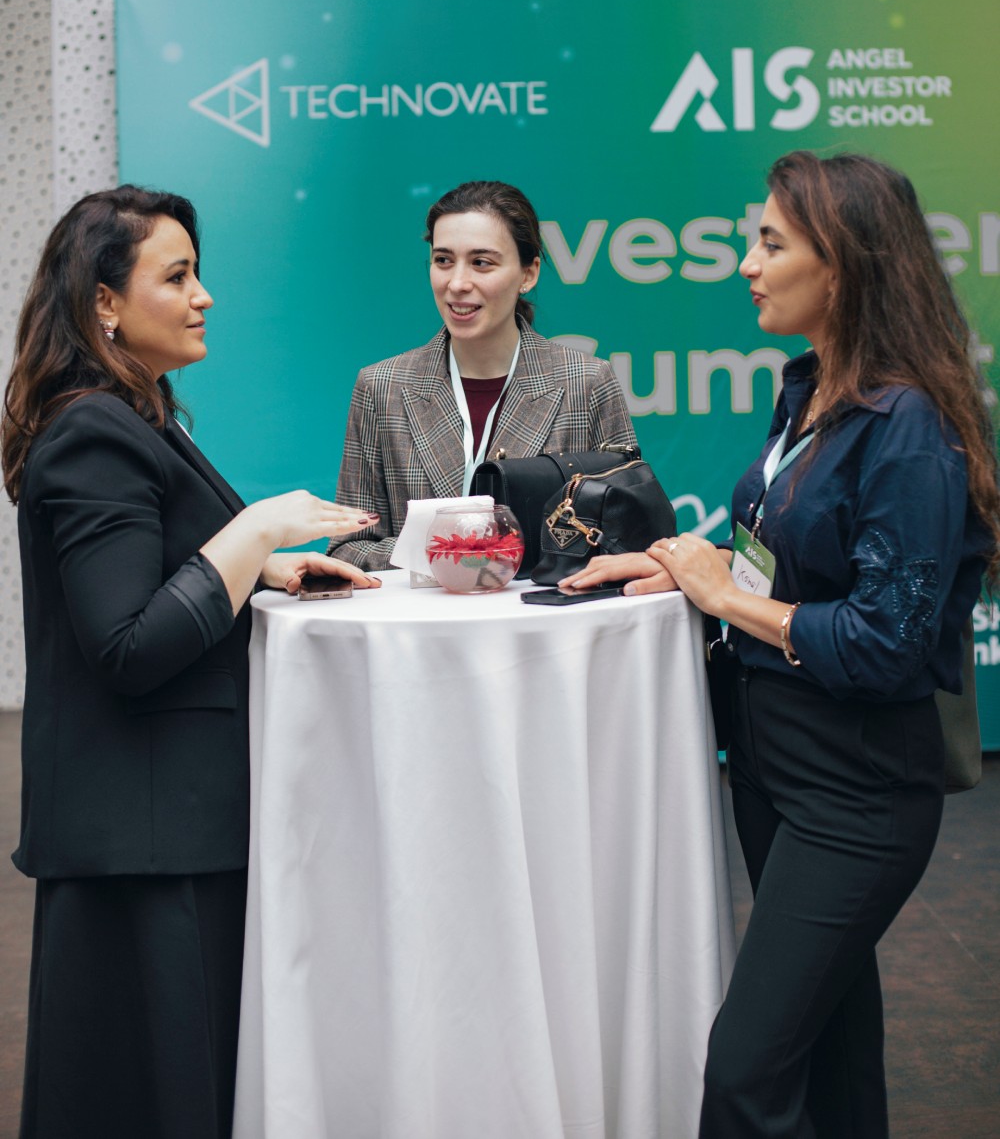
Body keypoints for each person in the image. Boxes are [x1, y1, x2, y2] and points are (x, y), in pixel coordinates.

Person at [559, 150, 999, 1139]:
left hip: (858, 791)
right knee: (831, 1051)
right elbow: (795, 567)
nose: (746, 265)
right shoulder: (811, 390)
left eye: (770, 243)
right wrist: (689, 567)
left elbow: (885, 641)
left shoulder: (908, 428)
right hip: (776, 765)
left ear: (841, 265)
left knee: (744, 1075)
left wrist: (723, 596)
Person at [1, 185, 379, 1139]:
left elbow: (157, 576)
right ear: (104, 303)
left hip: (160, 826)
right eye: (176, 277)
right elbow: (128, 645)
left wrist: (268, 570)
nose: (203, 295)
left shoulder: (137, 418)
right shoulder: (93, 433)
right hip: (146, 841)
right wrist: (254, 536)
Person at [329, 179, 637, 570]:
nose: (457, 283)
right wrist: (440, 554)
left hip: (542, 609)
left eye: (481, 263)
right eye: (443, 260)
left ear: (528, 274)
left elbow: (628, 542)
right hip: (420, 610)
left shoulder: (587, 382)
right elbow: (348, 548)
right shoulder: (381, 387)